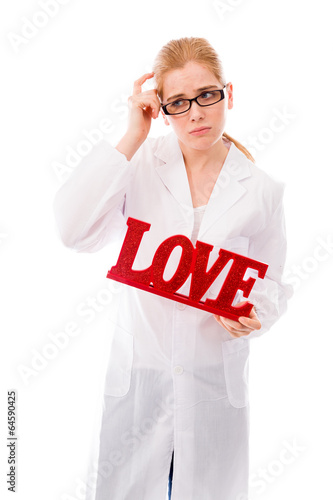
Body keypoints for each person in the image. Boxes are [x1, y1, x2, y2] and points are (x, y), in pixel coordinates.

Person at [53, 37, 292, 500]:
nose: (196, 113)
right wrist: (132, 136)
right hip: (141, 378)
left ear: (227, 93)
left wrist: (254, 312)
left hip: (212, 381)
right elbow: (72, 230)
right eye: (178, 103)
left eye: (207, 95)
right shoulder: (138, 163)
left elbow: (272, 281)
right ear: (159, 108)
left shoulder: (263, 191)